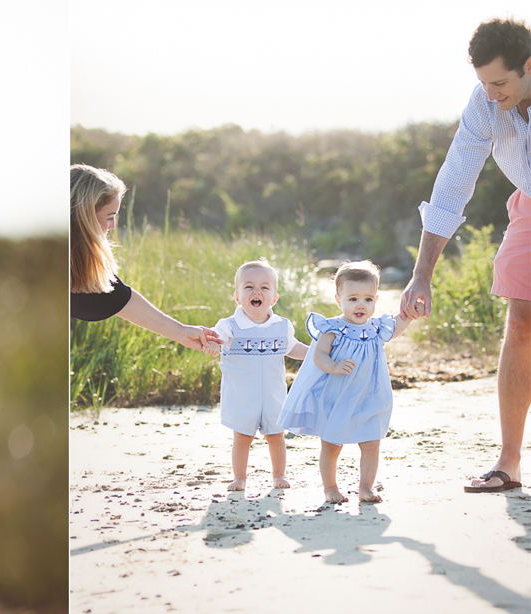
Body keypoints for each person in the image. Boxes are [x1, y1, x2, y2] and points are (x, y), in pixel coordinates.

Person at [402, 18, 531, 494]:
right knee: (521, 321)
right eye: (483, 83)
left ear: (529, 66)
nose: (491, 93)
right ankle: (509, 461)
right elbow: (454, 183)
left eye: (500, 82)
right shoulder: (484, 104)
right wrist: (421, 275)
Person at [278, 262, 411, 505]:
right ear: (338, 299)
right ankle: (330, 488)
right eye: (353, 299)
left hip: (370, 396)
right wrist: (334, 366)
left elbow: (397, 327)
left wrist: (410, 315)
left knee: (371, 443)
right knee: (331, 445)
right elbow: (318, 355)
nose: (361, 305)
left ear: (376, 299)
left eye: (368, 299)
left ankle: (366, 487)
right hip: (337, 397)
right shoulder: (333, 329)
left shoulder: (377, 327)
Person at [70, 165, 218, 351]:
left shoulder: (79, 260)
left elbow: (119, 298)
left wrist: (182, 332)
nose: (113, 225)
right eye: (109, 217)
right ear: (85, 217)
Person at [202, 259, 311, 492]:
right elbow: (216, 338)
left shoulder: (282, 326)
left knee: (276, 436)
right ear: (237, 296)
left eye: (265, 287)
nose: (256, 291)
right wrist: (213, 345)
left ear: (274, 298)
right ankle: (240, 477)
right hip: (242, 397)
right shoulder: (230, 325)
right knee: (242, 437)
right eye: (248, 286)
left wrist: (314, 354)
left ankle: (279, 474)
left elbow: (292, 348)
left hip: (273, 395)